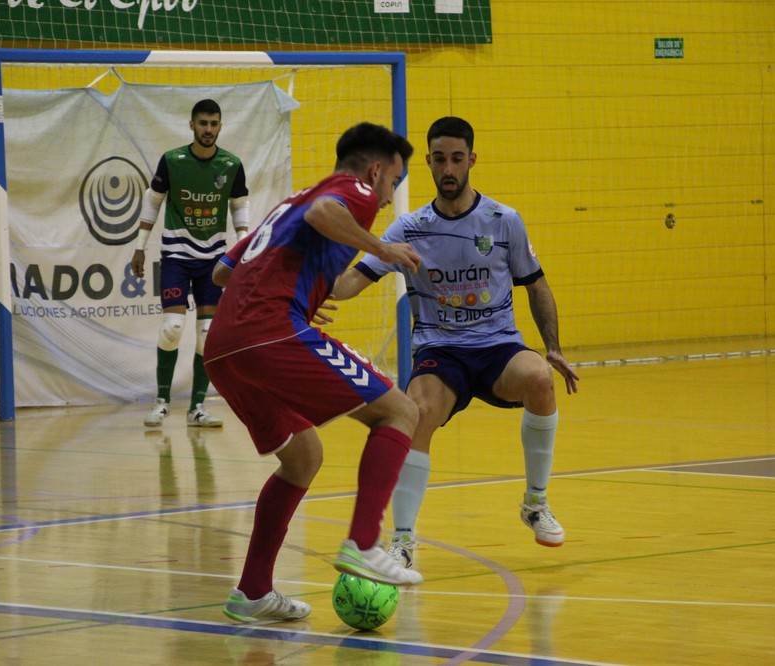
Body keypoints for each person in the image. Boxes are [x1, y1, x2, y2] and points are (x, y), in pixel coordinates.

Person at [331, 116, 580, 569]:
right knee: (417, 412)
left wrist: (553, 346)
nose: (449, 168)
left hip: (498, 347)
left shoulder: (503, 221)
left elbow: (537, 284)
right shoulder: (407, 228)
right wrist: (308, 285)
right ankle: (403, 540)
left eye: (457, 159)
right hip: (440, 350)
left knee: (540, 380)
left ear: (472, 161)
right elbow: (351, 282)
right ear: (426, 161)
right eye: (440, 159)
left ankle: (535, 503)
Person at [204, 122, 425, 623]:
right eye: (394, 181)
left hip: (222, 347)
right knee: (400, 411)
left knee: (302, 456)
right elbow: (329, 215)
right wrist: (385, 249)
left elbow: (222, 273)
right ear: (375, 170)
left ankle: (252, 591)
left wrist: (295, 294)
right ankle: (364, 542)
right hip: (268, 332)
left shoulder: (289, 203)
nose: (389, 197)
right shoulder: (352, 193)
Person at [130, 99, 251, 428]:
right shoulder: (172, 161)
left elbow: (240, 208)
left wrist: (243, 249)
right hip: (176, 257)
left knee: (208, 334)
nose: (208, 129)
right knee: (172, 328)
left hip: (214, 261)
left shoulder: (231, 165)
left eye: (213, 124)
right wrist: (139, 247)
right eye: (203, 123)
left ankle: (197, 407)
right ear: (192, 126)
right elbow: (152, 202)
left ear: (221, 126)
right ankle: (162, 402)